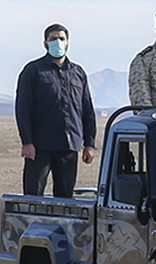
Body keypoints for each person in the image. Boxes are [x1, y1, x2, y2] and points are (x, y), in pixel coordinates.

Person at [15, 23, 98, 196]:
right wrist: (27, 142)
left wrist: (89, 144)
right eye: (53, 39)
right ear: (45, 43)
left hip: (69, 146)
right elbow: (23, 109)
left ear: (68, 42)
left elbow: (87, 110)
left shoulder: (78, 73)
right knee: (33, 197)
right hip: (40, 147)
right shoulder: (33, 71)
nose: (58, 42)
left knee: (65, 198)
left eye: (61, 39)